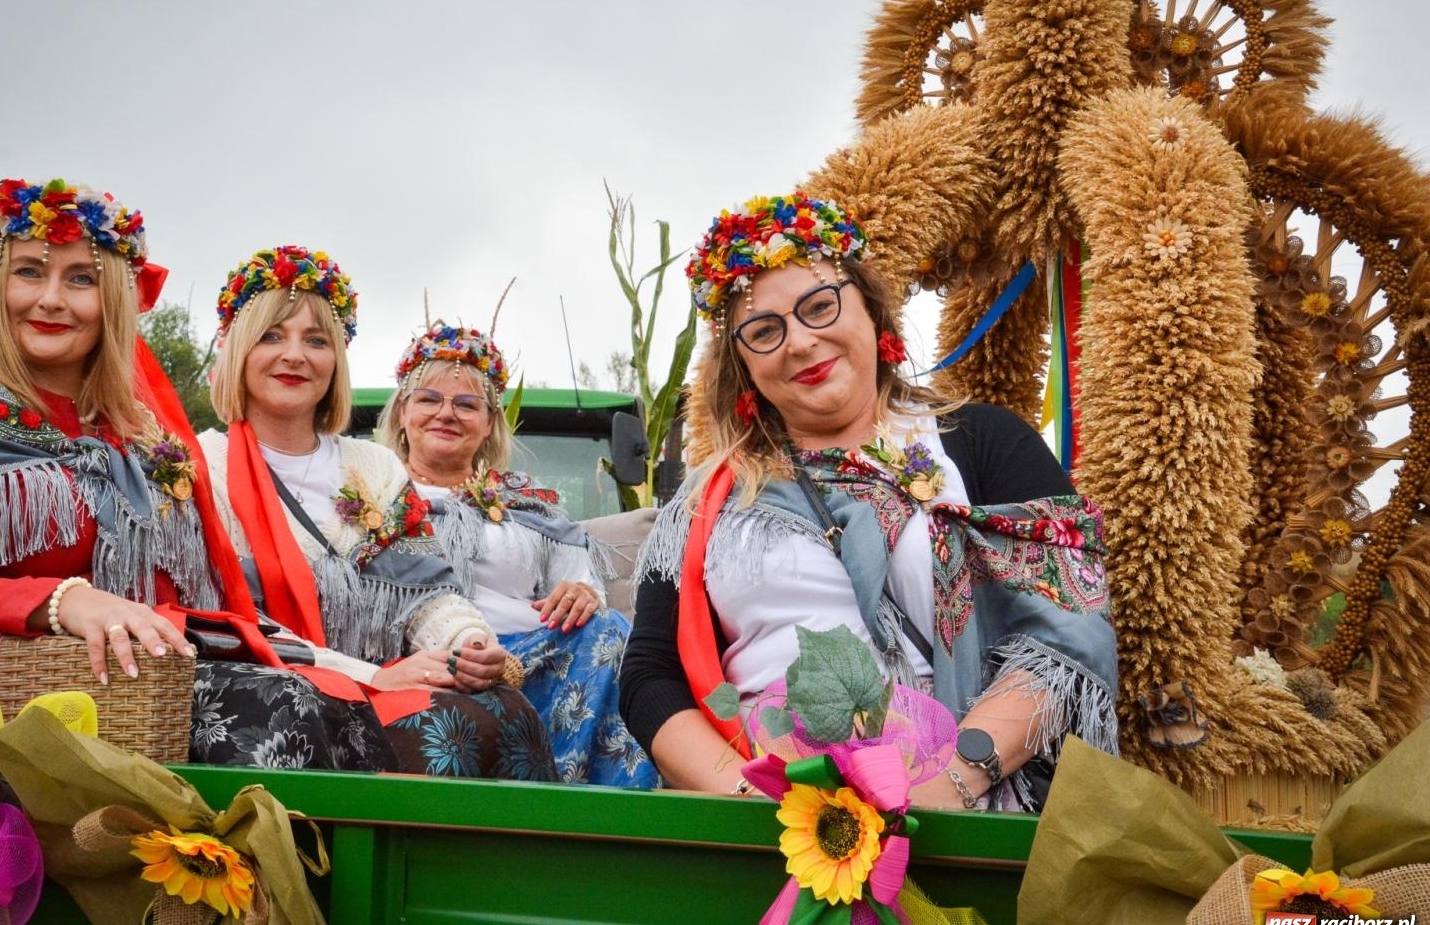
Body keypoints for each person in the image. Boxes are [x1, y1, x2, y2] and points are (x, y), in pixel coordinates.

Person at [0, 178, 398, 772]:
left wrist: (360, 671)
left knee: (376, 714)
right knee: (278, 713)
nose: (50, 299)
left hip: (149, 673)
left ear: (114, 300)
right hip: (21, 695)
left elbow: (199, 596)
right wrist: (64, 601)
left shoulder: (142, 434)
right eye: (28, 272)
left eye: (81, 279)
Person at [620, 193, 1117, 810]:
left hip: (966, 804)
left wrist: (950, 787)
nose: (800, 342)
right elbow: (650, 677)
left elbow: (1066, 630)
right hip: (770, 816)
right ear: (742, 365)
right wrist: (757, 801)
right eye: (764, 331)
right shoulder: (705, 502)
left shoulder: (979, 443)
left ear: (872, 311)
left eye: (820, 306)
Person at [196, 247, 556, 781]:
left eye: (316, 340)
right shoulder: (202, 463)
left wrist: (466, 645)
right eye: (273, 335)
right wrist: (368, 676)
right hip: (275, 683)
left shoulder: (376, 466)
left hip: (388, 680)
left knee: (501, 708)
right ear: (237, 349)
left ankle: (514, 863)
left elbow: (428, 596)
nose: (295, 355)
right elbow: (212, 617)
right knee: (429, 727)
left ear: (336, 360)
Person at [377, 319, 657, 786]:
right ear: (403, 412)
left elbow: (583, 583)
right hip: (425, 658)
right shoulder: (371, 493)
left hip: (536, 657)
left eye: (467, 404)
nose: (446, 414)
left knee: (611, 628)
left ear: (489, 424)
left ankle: (597, 805)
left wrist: (584, 593)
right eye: (429, 399)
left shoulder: (528, 502)